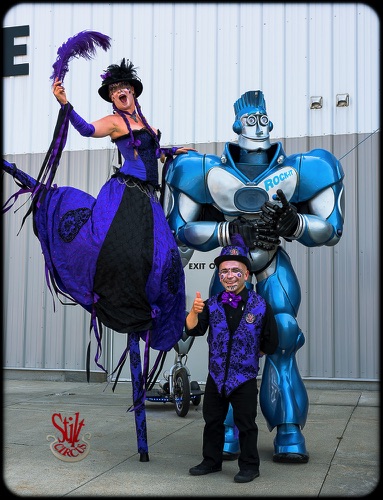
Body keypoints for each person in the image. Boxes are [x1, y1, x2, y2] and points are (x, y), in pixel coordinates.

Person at [2, 31, 193, 462]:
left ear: (134, 93)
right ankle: (108, 287)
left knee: (166, 261)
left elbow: (154, 153)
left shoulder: (147, 124)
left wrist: (172, 152)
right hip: (125, 195)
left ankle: (154, 312)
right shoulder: (116, 124)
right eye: (115, 90)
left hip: (148, 200)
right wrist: (65, 104)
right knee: (117, 248)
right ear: (111, 97)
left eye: (126, 88)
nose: (122, 93)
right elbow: (88, 130)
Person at [163, 89, 345, 463]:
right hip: (232, 263)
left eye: (262, 118)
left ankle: (288, 426)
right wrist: (227, 233)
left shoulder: (304, 167)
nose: (259, 125)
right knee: (226, 345)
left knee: (283, 336)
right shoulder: (203, 169)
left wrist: (293, 223)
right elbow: (180, 232)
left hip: (272, 261)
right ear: (236, 124)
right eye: (251, 119)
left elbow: (330, 229)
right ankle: (229, 426)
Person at [185, 235, 278, 483]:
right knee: (212, 422)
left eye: (235, 270)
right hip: (216, 376)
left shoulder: (260, 305)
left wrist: (255, 351)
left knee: (246, 424)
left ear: (246, 275)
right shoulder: (211, 304)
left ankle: (249, 466)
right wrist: (193, 313)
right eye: (224, 271)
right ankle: (211, 461)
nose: (229, 275)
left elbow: (271, 341)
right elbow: (194, 330)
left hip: (244, 377)